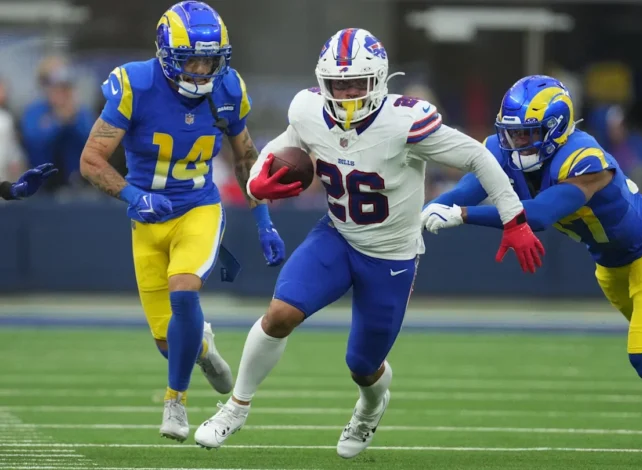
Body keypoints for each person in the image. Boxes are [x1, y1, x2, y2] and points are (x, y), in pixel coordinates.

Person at [194, 27, 544, 458]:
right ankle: (236, 407)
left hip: (391, 257)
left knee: (363, 366)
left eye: (357, 84)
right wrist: (258, 180)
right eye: (337, 85)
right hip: (338, 235)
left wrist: (514, 219)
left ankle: (370, 407)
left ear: (378, 80)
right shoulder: (307, 109)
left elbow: (477, 156)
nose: (346, 94)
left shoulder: (406, 121)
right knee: (280, 314)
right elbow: (284, 146)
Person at [420, 75, 642, 459]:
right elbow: (466, 189)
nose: (516, 142)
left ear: (556, 128)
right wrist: (426, 211)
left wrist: (463, 215)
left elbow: (538, 215)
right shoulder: (503, 150)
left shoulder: (584, 159)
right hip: (609, 262)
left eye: (527, 133)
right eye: (511, 132)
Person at [79, 1, 290, 443]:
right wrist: (134, 196)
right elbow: (91, 159)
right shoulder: (135, 84)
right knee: (167, 341)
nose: (201, 70)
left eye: (210, 60)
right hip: (147, 219)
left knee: (184, 288)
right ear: (166, 55)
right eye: (191, 59)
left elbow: (246, 160)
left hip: (198, 207)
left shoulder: (228, 88)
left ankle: (175, 402)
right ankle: (203, 347)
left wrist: (263, 218)